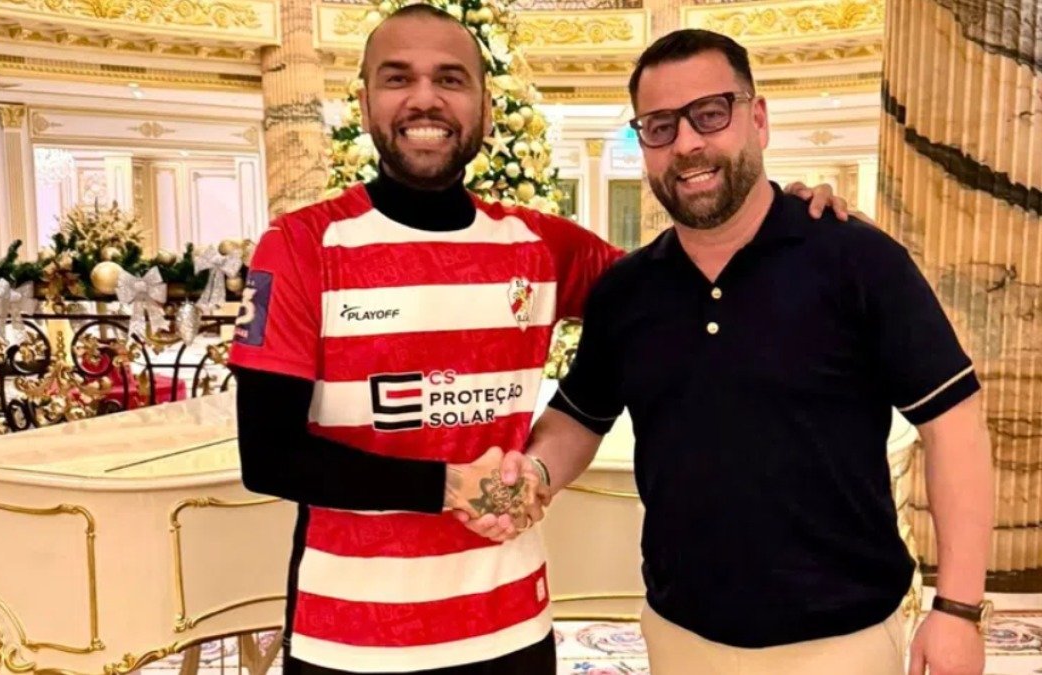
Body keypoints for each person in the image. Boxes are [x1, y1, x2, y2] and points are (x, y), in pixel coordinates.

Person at [228, 7, 852, 675]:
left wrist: (787, 223)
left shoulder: (542, 246)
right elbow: (270, 456)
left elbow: (688, 283)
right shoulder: (301, 247)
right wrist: (448, 486)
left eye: (450, 79)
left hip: (511, 630)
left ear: (485, 109)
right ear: (364, 102)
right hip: (348, 640)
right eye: (397, 78)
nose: (425, 98)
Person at [472, 29, 995, 675]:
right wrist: (533, 475)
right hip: (680, 635)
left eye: (710, 113)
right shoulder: (628, 290)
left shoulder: (856, 260)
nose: (687, 143)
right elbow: (580, 417)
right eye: (660, 126)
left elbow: (954, 426)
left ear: (758, 118)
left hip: (842, 642)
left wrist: (958, 609)